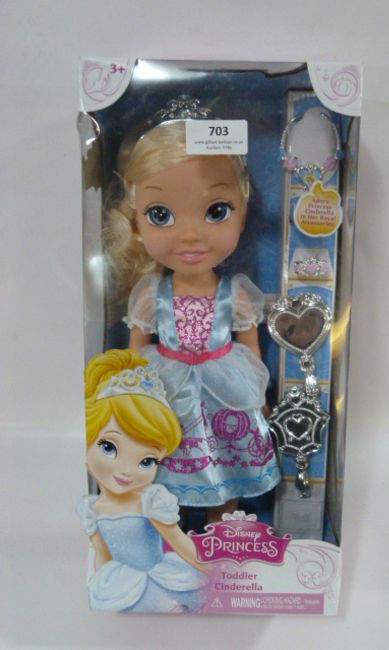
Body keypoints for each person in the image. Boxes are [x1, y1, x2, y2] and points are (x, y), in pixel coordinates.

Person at [105, 97, 280, 523]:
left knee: (227, 466)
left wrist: (258, 398)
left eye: (215, 212)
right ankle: (171, 533)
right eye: (160, 214)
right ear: (135, 222)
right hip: (167, 387)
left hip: (226, 387)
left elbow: (251, 352)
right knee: (165, 470)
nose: (190, 235)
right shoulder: (151, 295)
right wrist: (128, 398)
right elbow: (133, 353)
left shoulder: (236, 295)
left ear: (242, 213)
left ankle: (222, 529)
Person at [77, 348, 207, 612]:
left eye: (147, 461)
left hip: (158, 583)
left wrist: (216, 572)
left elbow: (181, 544)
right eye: (109, 447)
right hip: (119, 587)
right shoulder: (91, 508)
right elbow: (101, 556)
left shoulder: (149, 500)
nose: (126, 471)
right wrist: (101, 588)